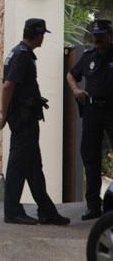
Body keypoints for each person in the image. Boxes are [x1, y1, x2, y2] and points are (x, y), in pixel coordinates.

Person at [0, 18, 70, 226]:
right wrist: (3, 113)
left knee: (34, 166)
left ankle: (46, 211)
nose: (43, 37)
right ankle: (12, 211)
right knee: (19, 166)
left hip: (24, 117)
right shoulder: (22, 56)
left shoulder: (18, 52)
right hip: (23, 119)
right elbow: (8, 86)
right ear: (37, 35)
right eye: (43, 34)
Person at [66, 19, 113, 221]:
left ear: (110, 35)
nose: (98, 41)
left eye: (101, 37)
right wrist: (76, 90)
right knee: (90, 157)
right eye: (96, 37)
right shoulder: (88, 57)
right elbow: (71, 74)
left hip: (112, 111)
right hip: (92, 110)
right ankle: (93, 206)